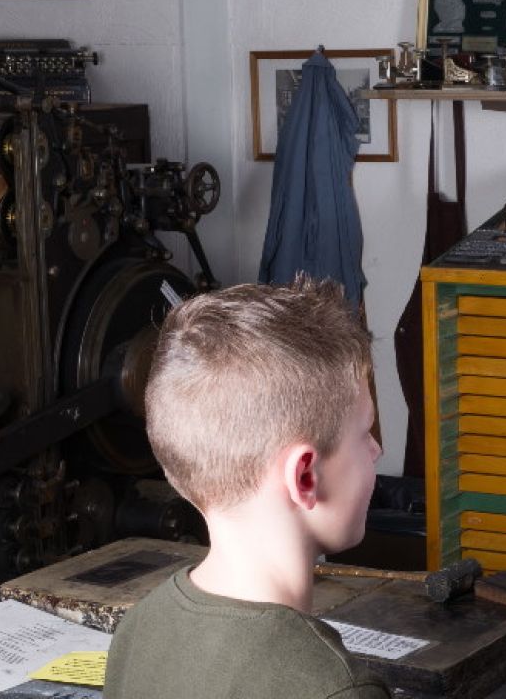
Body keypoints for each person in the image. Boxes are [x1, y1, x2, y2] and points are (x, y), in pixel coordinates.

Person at [104, 279, 388, 698]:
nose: (376, 449)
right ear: (305, 477)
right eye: (364, 432)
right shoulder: (336, 689)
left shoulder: (139, 628)